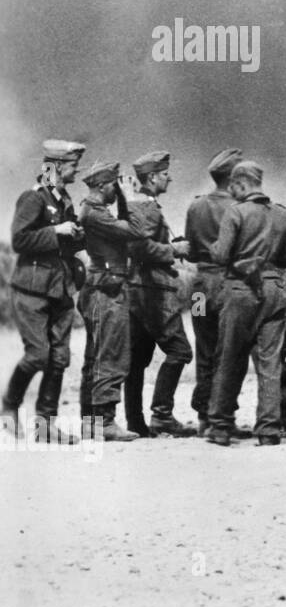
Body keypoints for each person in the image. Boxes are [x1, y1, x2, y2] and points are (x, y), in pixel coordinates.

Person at [207, 160, 286, 446]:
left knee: (229, 358)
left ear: (241, 184)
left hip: (240, 290)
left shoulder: (235, 213)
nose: (232, 192)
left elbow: (221, 255)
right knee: (270, 362)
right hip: (274, 291)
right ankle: (269, 430)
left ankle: (221, 427)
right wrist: (270, 258)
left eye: (234, 187)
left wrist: (214, 248)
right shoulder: (283, 215)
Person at [2, 140, 87, 442]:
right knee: (38, 355)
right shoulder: (33, 198)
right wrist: (55, 231)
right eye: (73, 165)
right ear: (57, 167)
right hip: (32, 289)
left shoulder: (64, 201)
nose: (77, 169)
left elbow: (70, 243)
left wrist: (77, 234)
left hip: (59, 289)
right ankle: (8, 407)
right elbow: (19, 240)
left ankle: (45, 425)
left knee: (59, 357)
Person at [123, 151, 195, 437]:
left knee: (137, 359)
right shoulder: (148, 207)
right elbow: (139, 248)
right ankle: (162, 415)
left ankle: (135, 421)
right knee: (180, 351)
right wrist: (174, 250)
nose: (170, 177)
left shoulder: (140, 205)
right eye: (165, 174)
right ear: (152, 177)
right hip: (154, 291)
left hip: (138, 290)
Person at [76, 161, 146, 441]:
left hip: (100, 288)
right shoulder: (95, 214)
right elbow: (138, 232)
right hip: (107, 291)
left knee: (95, 358)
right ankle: (103, 421)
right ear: (103, 185)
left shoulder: (96, 212)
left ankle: (91, 422)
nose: (117, 188)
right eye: (114, 184)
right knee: (111, 356)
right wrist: (131, 198)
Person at [184, 148, 243, 437]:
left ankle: (204, 418)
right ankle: (223, 418)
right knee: (228, 351)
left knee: (204, 349)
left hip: (199, 289)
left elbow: (192, 251)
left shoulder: (196, 207)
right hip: (227, 285)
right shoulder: (240, 208)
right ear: (233, 177)